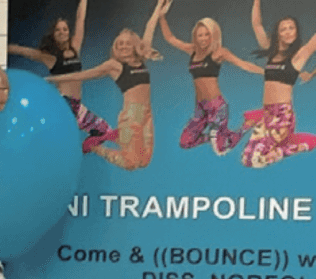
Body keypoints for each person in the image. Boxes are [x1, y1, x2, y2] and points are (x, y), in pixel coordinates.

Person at [48, 0, 168, 170]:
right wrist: (53, 80)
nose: (124, 46)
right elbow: (84, 75)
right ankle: (96, 147)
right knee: (131, 163)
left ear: (134, 45)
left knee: (145, 161)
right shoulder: (114, 65)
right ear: (116, 48)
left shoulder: (141, 59)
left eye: (127, 43)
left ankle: (114, 136)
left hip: (147, 114)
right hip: (132, 114)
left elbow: (150, 27)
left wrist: (158, 8)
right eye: (120, 44)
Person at [8, 0, 116, 153]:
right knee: (64, 141)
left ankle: (86, 145)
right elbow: (24, 51)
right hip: (65, 103)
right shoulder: (50, 57)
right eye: (58, 30)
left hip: (77, 105)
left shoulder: (75, 47)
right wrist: (3, 46)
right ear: (53, 35)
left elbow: (80, 18)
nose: (62, 32)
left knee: (105, 130)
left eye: (65, 29)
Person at [158, 2, 259, 154]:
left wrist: (266, 72)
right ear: (195, 37)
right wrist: (161, 18)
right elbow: (170, 38)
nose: (204, 38)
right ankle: (216, 136)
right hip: (200, 108)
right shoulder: (192, 50)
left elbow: (243, 64)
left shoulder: (219, 53)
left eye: (207, 34)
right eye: (200, 35)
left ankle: (247, 124)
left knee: (221, 149)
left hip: (217, 107)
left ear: (213, 36)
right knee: (185, 142)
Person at [237, 0, 316, 167]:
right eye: (283, 29)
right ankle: (288, 141)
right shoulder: (271, 54)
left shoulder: (297, 58)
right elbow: (257, 25)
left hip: (282, 117)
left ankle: (303, 142)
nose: (288, 32)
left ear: (296, 32)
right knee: (246, 159)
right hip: (267, 115)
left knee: (256, 159)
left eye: (291, 28)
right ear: (278, 33)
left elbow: (312, 43)